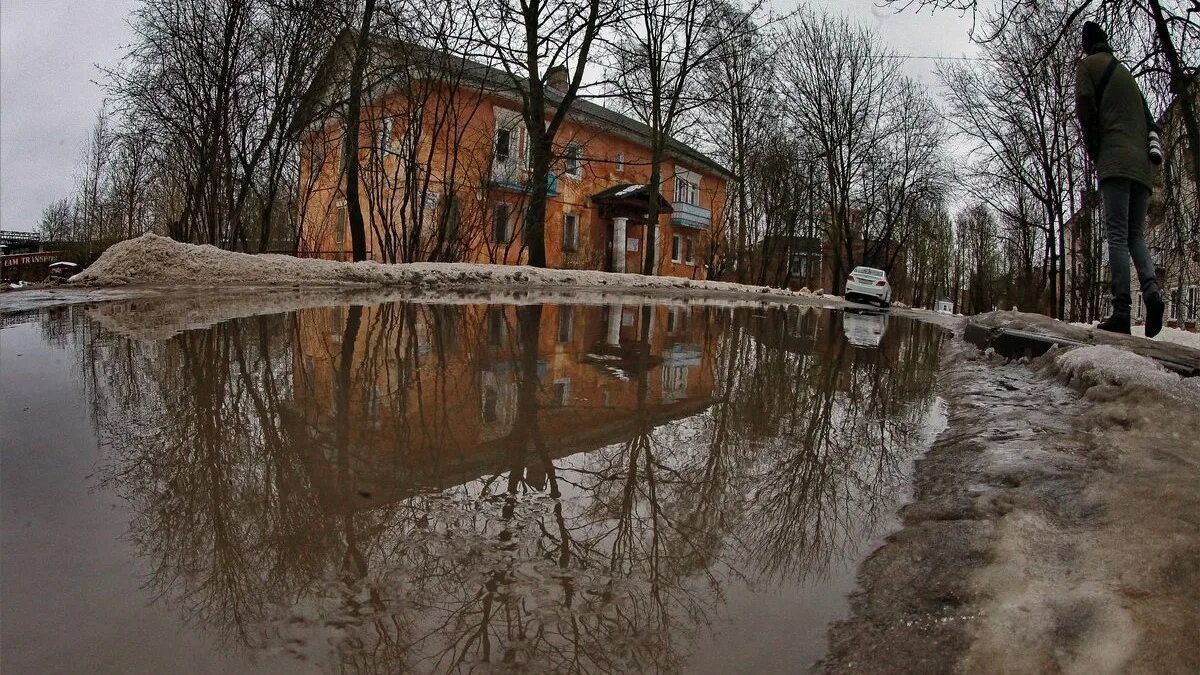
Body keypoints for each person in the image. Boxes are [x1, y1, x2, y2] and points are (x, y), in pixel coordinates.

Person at [1075, 20, 1164, 337]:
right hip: (1142, 167)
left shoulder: (1088, 66)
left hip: (1115, 160)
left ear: (1088, 45)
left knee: (1115, 233)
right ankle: (1152, 293)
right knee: (1135, 235)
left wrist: (1096, 151)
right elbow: (1152, 122)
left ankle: (1123, 312)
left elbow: (1084, 111)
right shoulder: (1127, 74)